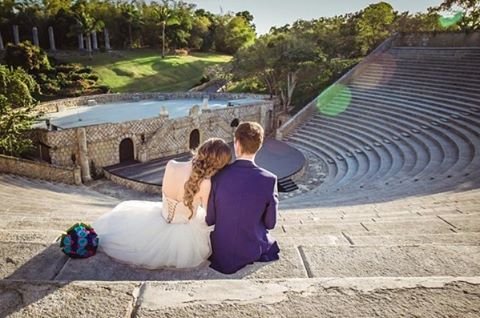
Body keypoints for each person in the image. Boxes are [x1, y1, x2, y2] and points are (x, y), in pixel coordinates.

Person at [93, 138, 232, 269]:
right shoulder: (206, 183)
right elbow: (210, 216)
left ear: (201, 150)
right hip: (185, 233)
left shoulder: (171, 165)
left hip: (160, 217)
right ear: (217, 164)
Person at [207, 122, 280, 274]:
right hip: (252, 248)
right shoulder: (270, 179)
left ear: (237, 144)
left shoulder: (218, 176)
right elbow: (270, 223)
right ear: (259, 146)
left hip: (221, 249)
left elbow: (211, 219)